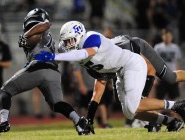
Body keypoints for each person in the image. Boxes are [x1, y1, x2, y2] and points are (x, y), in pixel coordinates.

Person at [34, 21, 185, 134]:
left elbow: (84, 53)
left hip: (133, 61)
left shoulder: (90, 38)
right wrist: (89, 118)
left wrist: (143, 95)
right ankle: (171, 122)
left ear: (79, 36)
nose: (67, 45)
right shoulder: (80, 54)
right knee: (129, 112)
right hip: (121, 70)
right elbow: (98, 87)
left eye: (70, 41)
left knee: (150, 92)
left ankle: (177, 105)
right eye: (65, 42)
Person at [0, 9, 85, 137]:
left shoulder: (38, 29)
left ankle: (4, 122)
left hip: (38, 68)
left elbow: (44, 26)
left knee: (5, 91)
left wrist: (26, 36)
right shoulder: (45, 35)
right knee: (57, 104)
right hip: (53, 72)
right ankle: (79, 121)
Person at [154, 28, 181, 100]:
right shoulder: (158, 47)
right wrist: (155, 78)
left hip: (173, 76)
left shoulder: (175, 48)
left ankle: (171, 111)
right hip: (161, 77)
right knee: (159, 99)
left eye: (169, 36)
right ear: (162, 37)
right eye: (166, 36)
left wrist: (179, 78)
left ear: (171, 37)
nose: (167, 38)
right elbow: (154, 63)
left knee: (173, 99)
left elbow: (177, 63)